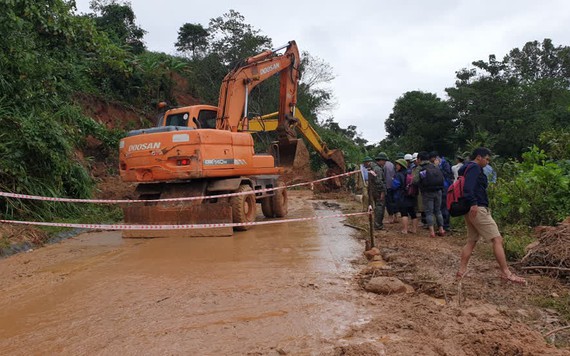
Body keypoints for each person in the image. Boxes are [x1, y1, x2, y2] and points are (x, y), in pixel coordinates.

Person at [456, 147, 526, 285]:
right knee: (497, 239)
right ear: (479, 157)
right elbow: (468, 188)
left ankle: (461, 271)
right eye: (487, 159)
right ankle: (506, 273)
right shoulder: (475, 168)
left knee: (471, 240)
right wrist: (474, 204)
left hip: (471, 209)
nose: (487, 162)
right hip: (478, 209)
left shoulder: (466, 168)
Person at [413, 151, 446, 238]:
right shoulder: (434, 166)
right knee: (438, 211)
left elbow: (415, 181)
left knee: (429, 212)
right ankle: (441, 229)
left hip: (427, 192)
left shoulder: (420, 168)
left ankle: (432, 232)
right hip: (438, 191)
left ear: (419, 159)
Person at [392, 159, 418, 234]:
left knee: (404, 213)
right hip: (411, 194)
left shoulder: (398, 174)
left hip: (402, 195)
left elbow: (395, 186)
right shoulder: (410, 172)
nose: (396, 166)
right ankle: (414, 229)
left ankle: (405, 229)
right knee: (413, 213)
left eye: (397, 164)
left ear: (401, 166)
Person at [363, 156, 386, 230]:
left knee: (377, 206)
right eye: (384, 161)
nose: (385, 163)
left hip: (374, 190)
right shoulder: (377, 169)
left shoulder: (373, 169)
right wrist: (382, 191)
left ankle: (377, 223)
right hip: (378, 191)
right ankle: (378, 225)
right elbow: (379, 181)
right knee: (380, 207)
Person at [376, 152, 397, 224]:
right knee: (393, 202)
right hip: (393, 185)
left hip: (387, 187)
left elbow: (383, 179)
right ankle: (395, 217)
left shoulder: (383, 166)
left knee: (388, 203)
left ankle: (390, 217)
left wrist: (383, 189)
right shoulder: (391, 164)